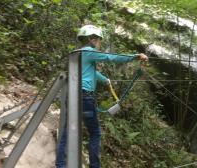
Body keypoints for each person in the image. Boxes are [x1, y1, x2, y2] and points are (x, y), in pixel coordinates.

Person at [55, 24, 148, 168]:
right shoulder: (90, 52)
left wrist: (104, 79)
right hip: (85, 97)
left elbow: (88, 71)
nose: (99, 43)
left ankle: (60, 165)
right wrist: (135, 57)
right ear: (92, 39)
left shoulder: (76, 53)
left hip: (72, 95)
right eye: (99, 40)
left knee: (67, 132)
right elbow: (111, 57)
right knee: (95, 133)